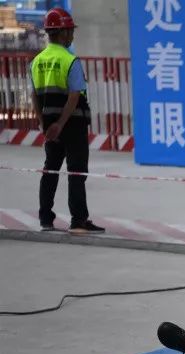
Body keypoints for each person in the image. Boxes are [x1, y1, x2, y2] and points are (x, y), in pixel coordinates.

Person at [30, 8, 103, 235]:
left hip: (50, 126)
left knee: (50, 170)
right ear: (62, 32)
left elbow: (34, 95)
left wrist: (43, 123)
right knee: (76, 172)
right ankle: (78, 220)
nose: (72, 34)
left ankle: (45, 219)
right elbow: (74, 96)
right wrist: (61, 124)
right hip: (72, 124)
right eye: (70, 30)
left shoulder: (36, 61)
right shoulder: (70, 60)